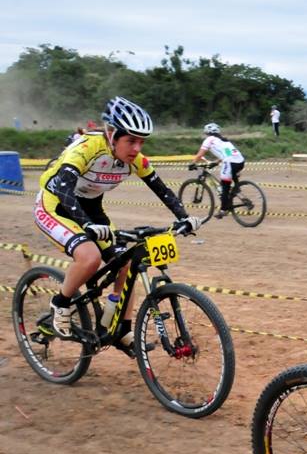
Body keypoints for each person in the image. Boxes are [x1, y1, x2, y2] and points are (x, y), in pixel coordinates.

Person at [33, 96, 201, 352]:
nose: (136, 148)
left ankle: (118, 329)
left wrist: (184, 217)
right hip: (56, 205)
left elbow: (161, 189)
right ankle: (61, 302)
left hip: (91, 208)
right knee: (89, 257)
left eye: (141, 141)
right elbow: (65, 188)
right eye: (130, 140)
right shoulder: (87, 148)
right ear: (111, 134)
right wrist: (86, 225)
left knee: (126, 265)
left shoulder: (136, 160)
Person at [189, 123, 246, 218]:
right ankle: (236, 188)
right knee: (229, 175)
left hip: (230, 162)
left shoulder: (209, 140)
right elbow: (227, 153)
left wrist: (192, 163)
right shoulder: (224, 141)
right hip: (240, 161)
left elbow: (200, 155)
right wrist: (216, 162)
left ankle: (223, 210)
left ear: (207, 132)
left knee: (224, 186)